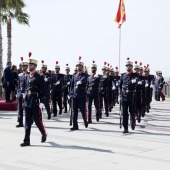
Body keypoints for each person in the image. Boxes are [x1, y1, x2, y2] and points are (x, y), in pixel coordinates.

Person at [20, 53, 47, 147]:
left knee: (37, 121)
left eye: (30, 65)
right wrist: (23, 93)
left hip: (35, 101)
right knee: (27, 122)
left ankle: (43, 133)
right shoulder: (27, 76)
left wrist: (42, 101)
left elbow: (44, 90)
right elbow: (24, 86)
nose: (29, 66)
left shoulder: (39, 77)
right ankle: (26, 140)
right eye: (28, 65)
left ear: (35, 66)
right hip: (27, 101)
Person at [119, 58, 139, 133]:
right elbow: (120, 86)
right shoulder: (123, 75)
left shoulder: (135, 75)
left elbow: (137, 79)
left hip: (132, 95)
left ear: (132, 67)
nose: (128, 67)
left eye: (130, 66)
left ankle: (132, 122)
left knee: (132, 111)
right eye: (127, 66)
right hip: (124, 96)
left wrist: (135, 80)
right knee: (124, 112)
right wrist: (119, 94)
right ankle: (125, 127)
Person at [70, 56, 88, 130]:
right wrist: (71, 94)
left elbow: (85, 82)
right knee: (74, 111)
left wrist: (82, 82)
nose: (79, 67)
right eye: (77, 66)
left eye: (80, 66)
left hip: (81, 95)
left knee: (83, 110)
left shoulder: (85, 76)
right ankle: (75, 125)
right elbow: (71, 85)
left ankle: (85, 121)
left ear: (82, 67)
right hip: (74, 95)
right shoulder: (74, 76)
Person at [16, 57, 29, 128]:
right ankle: (20, 122)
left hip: (27, 94)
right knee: (20, 108)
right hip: (20, 93)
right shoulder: (19, 75)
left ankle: (28, 121)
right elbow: (18, 85)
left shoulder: (29, 74)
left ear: (27, 67)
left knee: (27, 108)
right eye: (22, 66)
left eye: (25, 66)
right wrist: (18, 93)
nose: (23, 67)